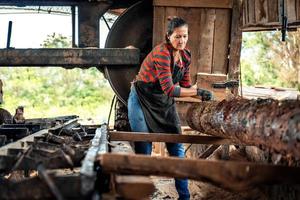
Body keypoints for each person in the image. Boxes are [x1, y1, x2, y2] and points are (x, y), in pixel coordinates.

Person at [127, 16, 213, 200]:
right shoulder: (161, 53)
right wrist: (196, 91)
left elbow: (185, 86)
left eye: (185, 36)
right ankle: (141, 196)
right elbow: (170, 89)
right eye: (177, 37)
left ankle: (184, 197)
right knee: (144, 145)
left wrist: (200, 93)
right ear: (168, 36)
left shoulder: (186, 56)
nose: (181, 41)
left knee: (177, 148)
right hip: (142, 98)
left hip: (163, 102)